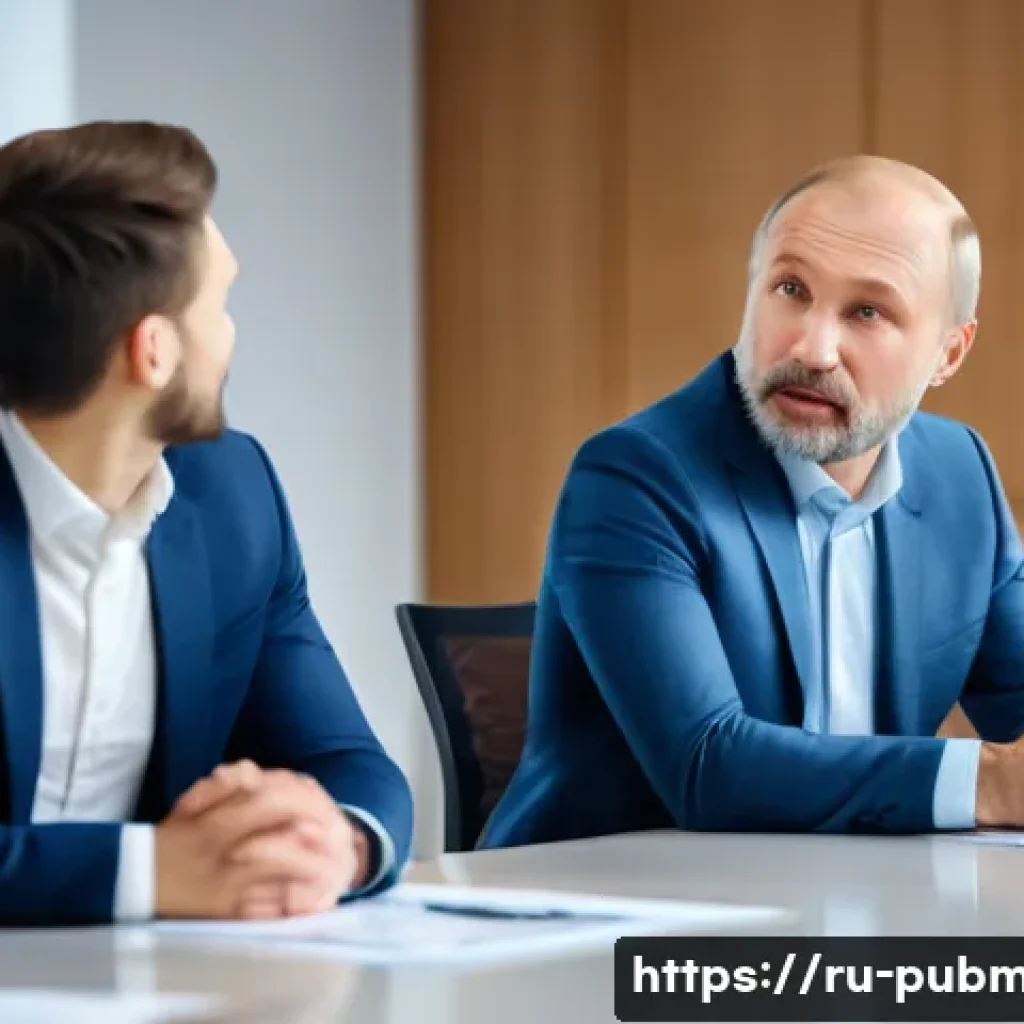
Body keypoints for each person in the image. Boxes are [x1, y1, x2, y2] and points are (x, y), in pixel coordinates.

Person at [481, 154, 1024, 850]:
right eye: (790, 289)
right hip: (621, 901)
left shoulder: (959, 473)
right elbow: (708, 766)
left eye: (867, 311)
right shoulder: (633, 477)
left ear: (949, 352)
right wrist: (990, 783)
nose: (812, 348)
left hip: (852, 892)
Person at [0, 120, 413, 924]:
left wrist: (338, 840)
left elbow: (343, 757)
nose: (230, 334)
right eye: (220, 303)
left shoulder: (232, 496)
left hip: (171, 976)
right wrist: (149, 874)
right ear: (152, 351)